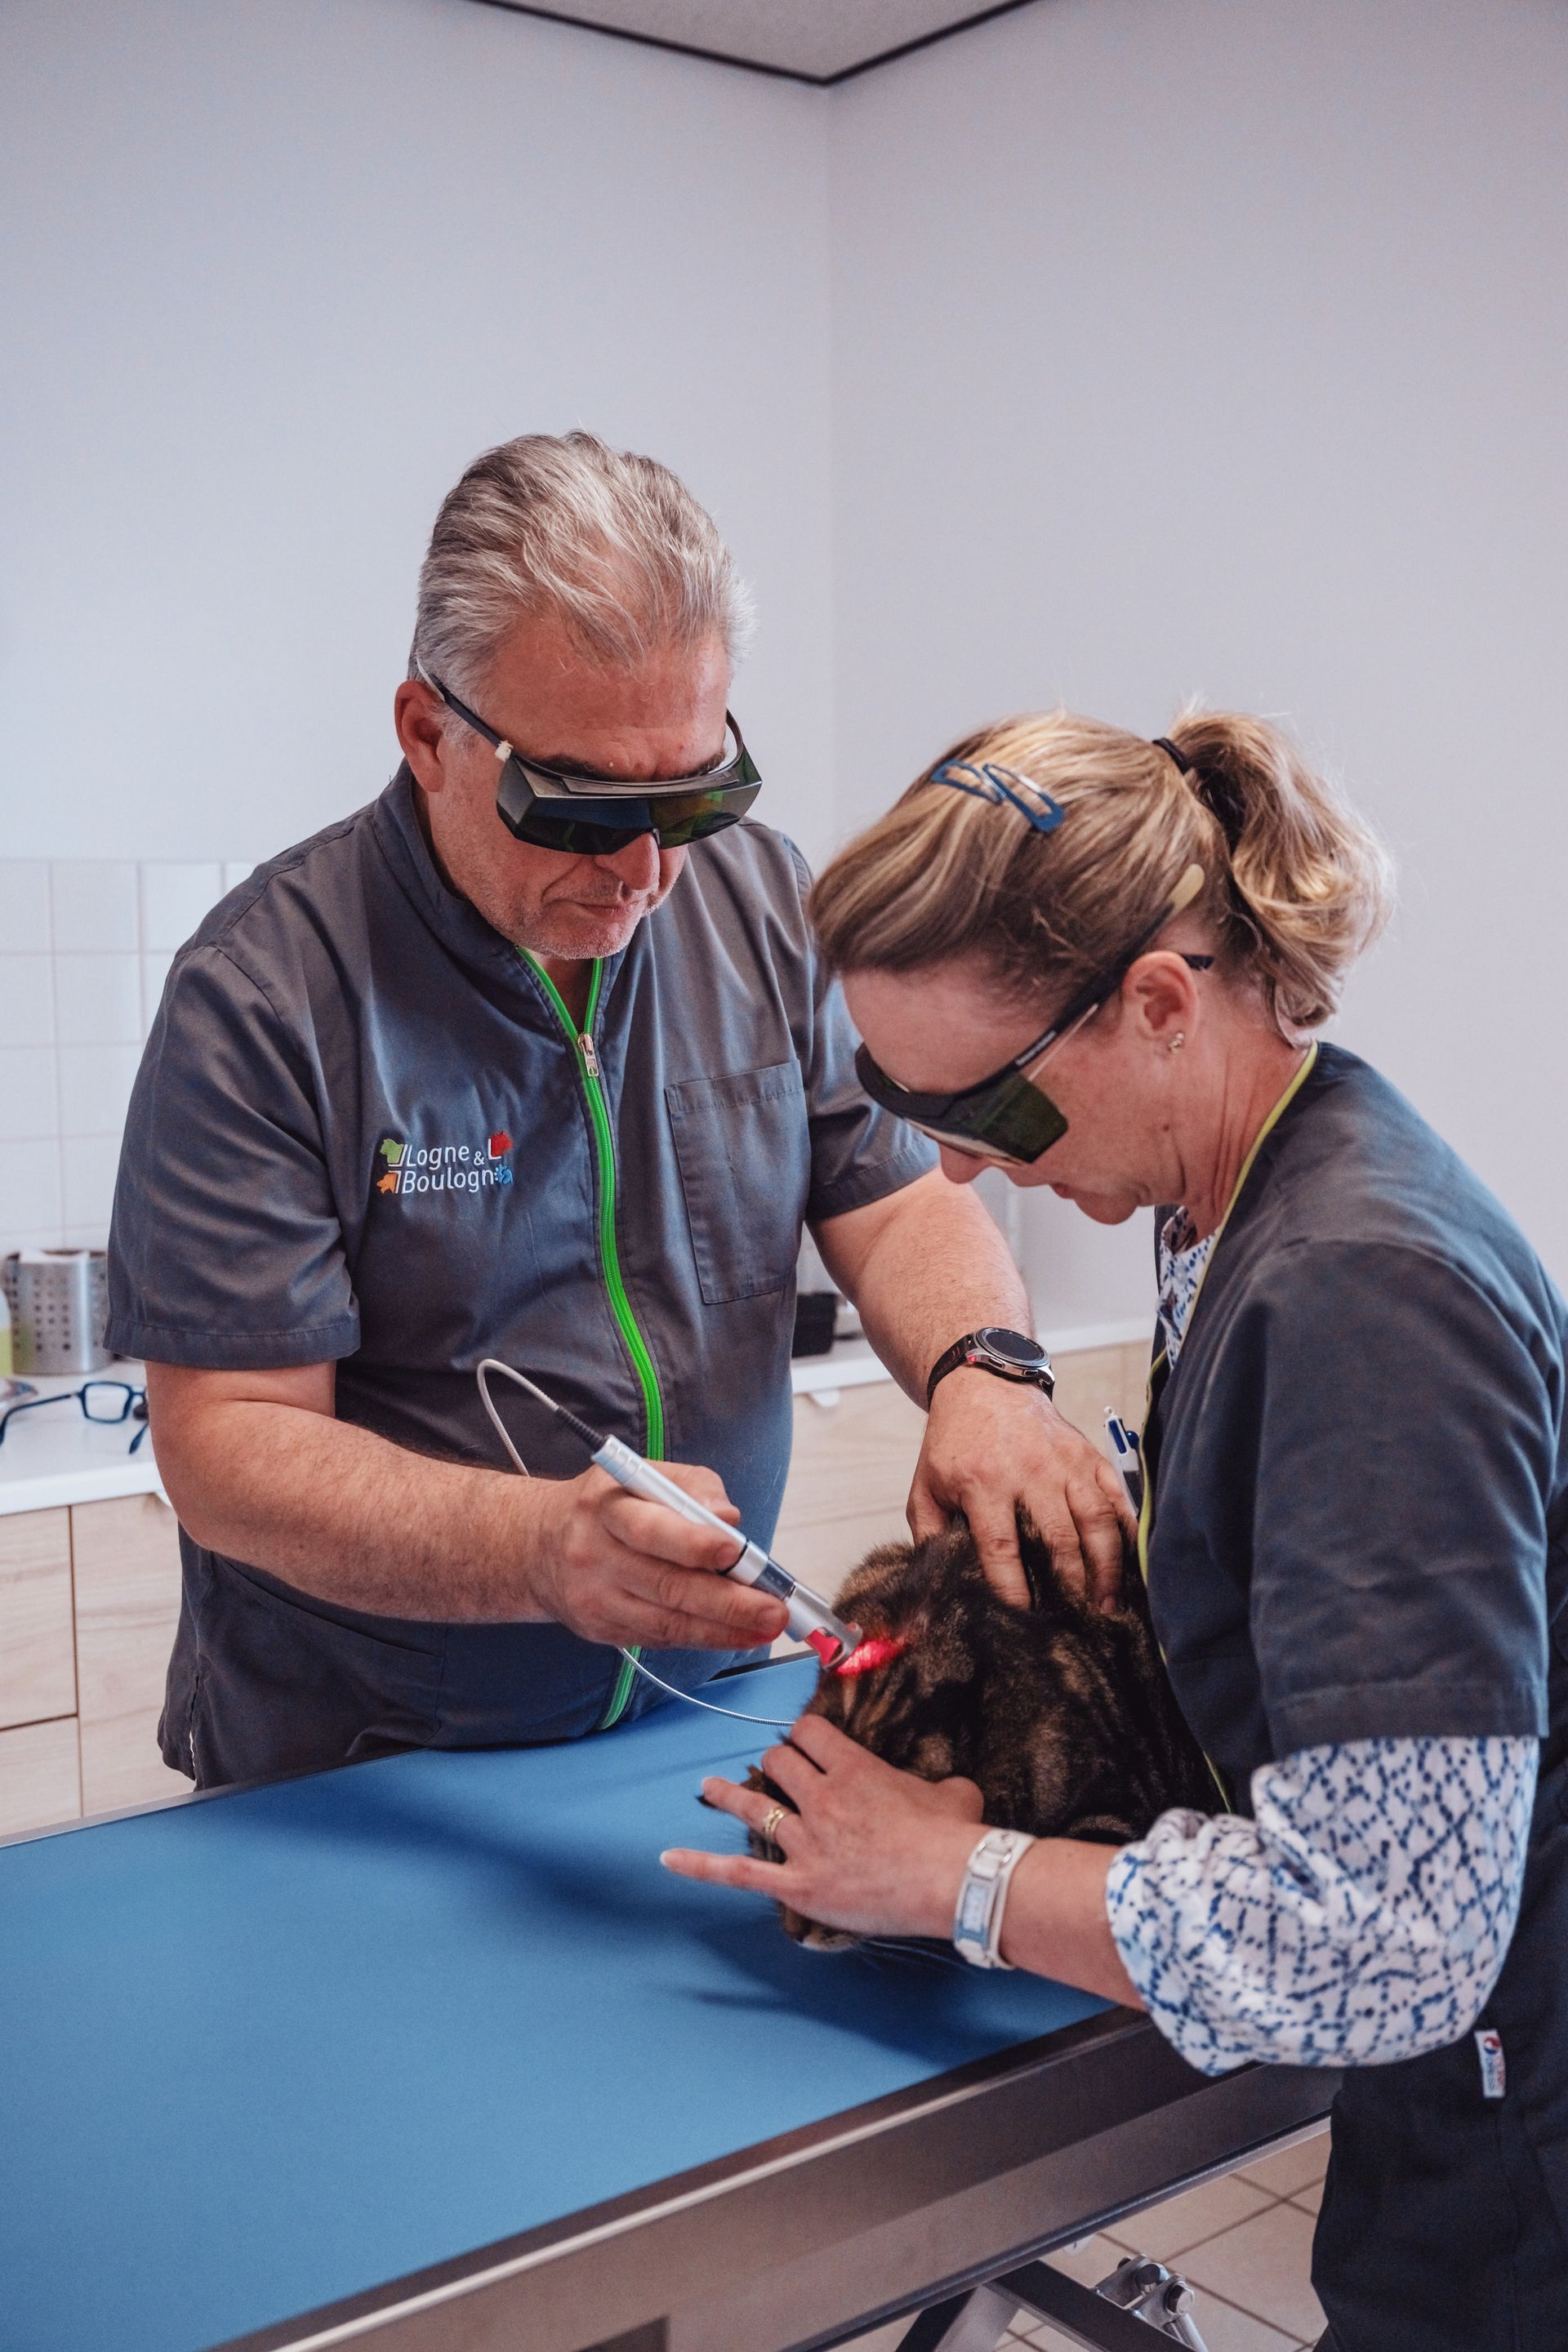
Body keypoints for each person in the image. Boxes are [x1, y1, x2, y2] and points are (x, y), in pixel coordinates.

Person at [664, 708, 1568, 2352]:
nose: (954, 1169)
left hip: (1524, 2127)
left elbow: (1395, 1942)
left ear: (1159, 1004)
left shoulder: (1362, 1296)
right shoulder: (1236, 1199)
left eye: (989, 1113)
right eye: (904, 1104)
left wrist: (954, 1875)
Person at [106, 434, 1127, 1789]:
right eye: (583, 809)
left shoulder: (764, 908)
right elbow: (229, 1442)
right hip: (373, 1765)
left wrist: (984, 1371)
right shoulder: (266, 996)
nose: (647, 870)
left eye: (693, 795)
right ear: (428, 735)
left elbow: (896, 1208)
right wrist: (539, 1551)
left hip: (698, 1722)